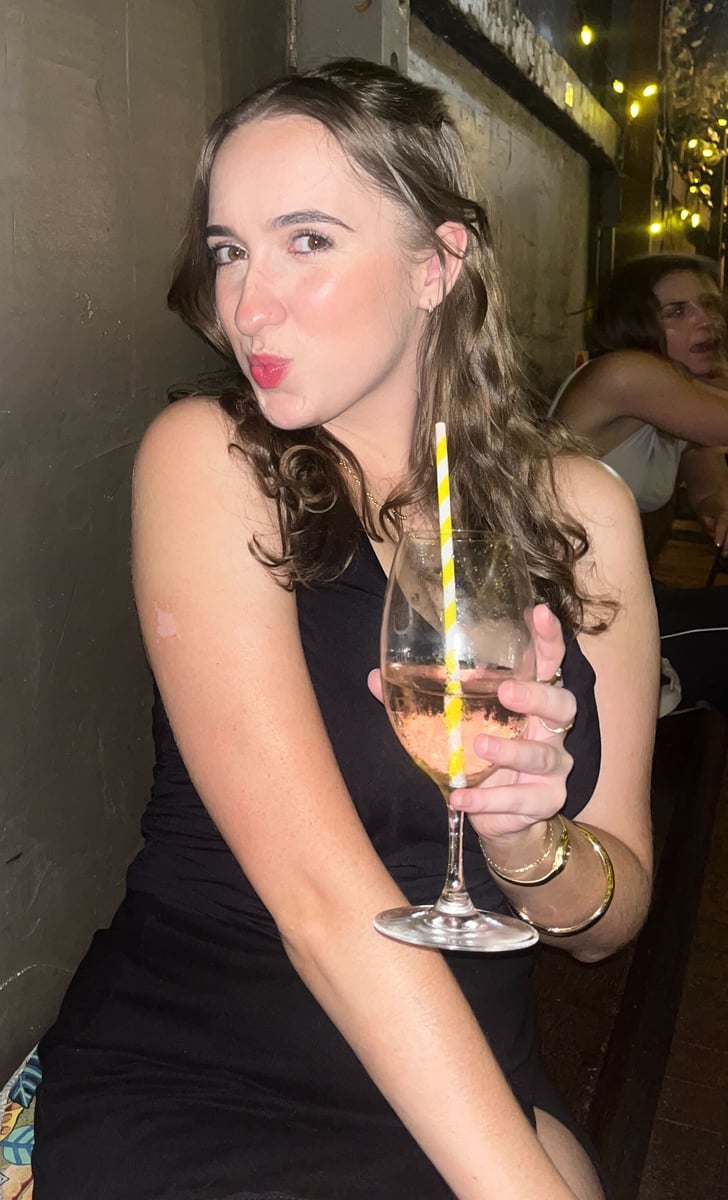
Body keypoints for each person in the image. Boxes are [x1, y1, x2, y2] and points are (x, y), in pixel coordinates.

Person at [33, 59, 657, 1200]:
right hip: (208, 1073)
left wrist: (526, 842)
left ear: (435, 264)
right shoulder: (208, 461)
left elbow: (604, 924)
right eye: (229, 250)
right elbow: (324, 904)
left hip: (466, 1062)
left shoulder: (586, 514)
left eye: (306, 241)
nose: (246, 303)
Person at [551, 253, 728, 714]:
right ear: (634, 322)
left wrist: (719, 501)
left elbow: (703, 463)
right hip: (565, 620)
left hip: (618, 599)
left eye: (710, 306)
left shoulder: (675, 392)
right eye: (677, 312)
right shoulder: (625, 374)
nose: (706, 321)